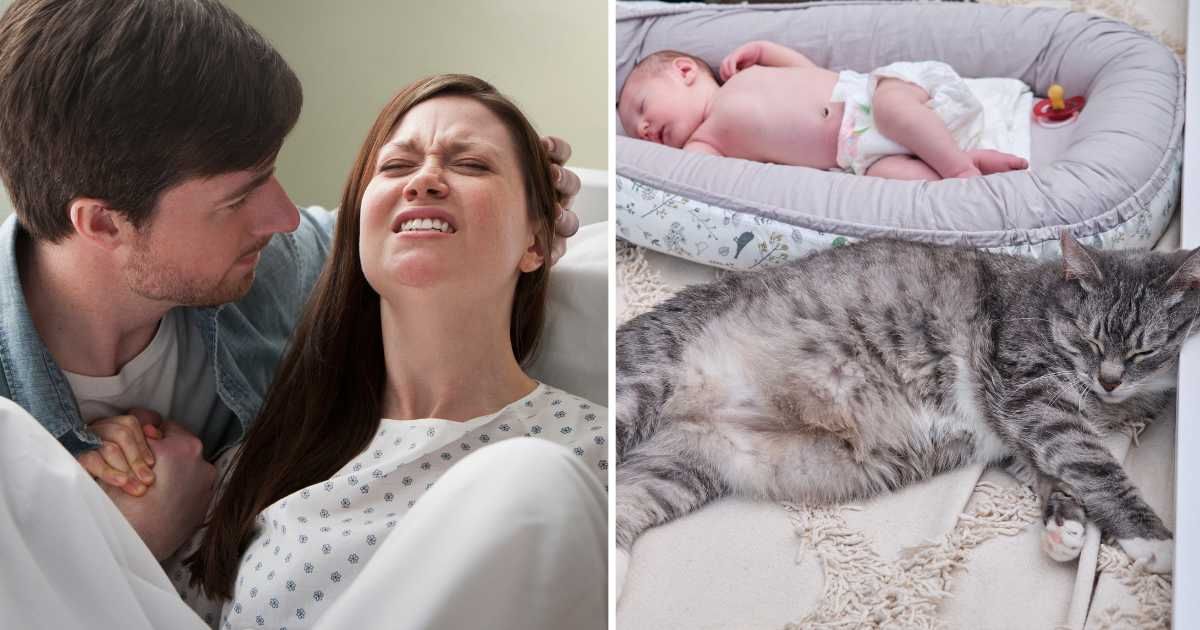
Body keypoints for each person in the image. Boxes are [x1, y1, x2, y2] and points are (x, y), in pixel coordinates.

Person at [0, 0, 580, 569]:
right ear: (104, 223)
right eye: (239, 197)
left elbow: (399, 241)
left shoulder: (285, 266)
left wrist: (528, 206)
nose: (285, 217)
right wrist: (122, 545)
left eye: (271, 172)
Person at [183, 73, 607, 630]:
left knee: (532, 481)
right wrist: (145, 525)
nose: (425, 178)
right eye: (397, 166)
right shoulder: (260, 461)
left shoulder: (595, 450)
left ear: (535, 242)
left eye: (472, 164)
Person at [616, 40, 1030, 180]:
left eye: (643, 108)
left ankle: (957, 167)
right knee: (893, 177)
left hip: (864, 99)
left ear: (685, 71)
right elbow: (697, 177)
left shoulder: (745, 76)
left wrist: (763, 49)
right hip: (856, 156)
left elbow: (809, 73)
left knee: (893, 111)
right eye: (636, 131)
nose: (645, 126)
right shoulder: (706, 142)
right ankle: (967, 163)